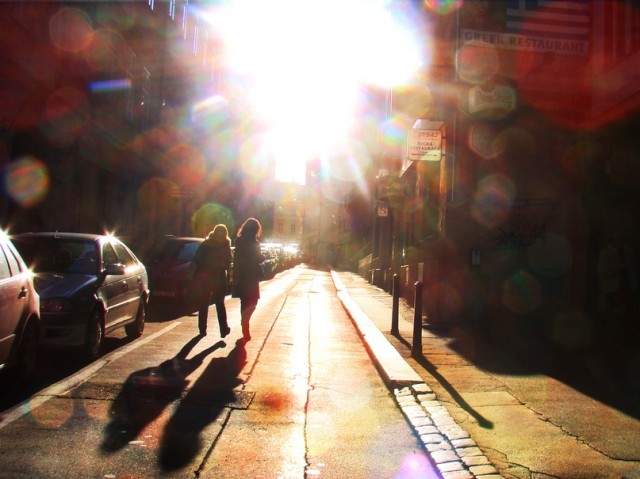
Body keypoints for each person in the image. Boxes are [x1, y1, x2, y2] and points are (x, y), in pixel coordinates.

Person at [190, 224, 233, 337]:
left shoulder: (206, 244)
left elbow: (196, 259)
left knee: (204, 303)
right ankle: (223, 329)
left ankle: (203, 329)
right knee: (219, 304)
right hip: (217, 276)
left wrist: (192, 273)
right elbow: (228, 262)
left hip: (207, 276)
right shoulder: (225, 245)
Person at [232, 217, 263, 340]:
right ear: (255, 229)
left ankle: (244, 321)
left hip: (243, 275)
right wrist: (260, 257)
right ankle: (245, 322)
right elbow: (259, 258)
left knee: (245, 301)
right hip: (251, 275)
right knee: (253, 301)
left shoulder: (239, 241)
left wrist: (235, 276)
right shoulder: (254, 242)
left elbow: (236, 259)